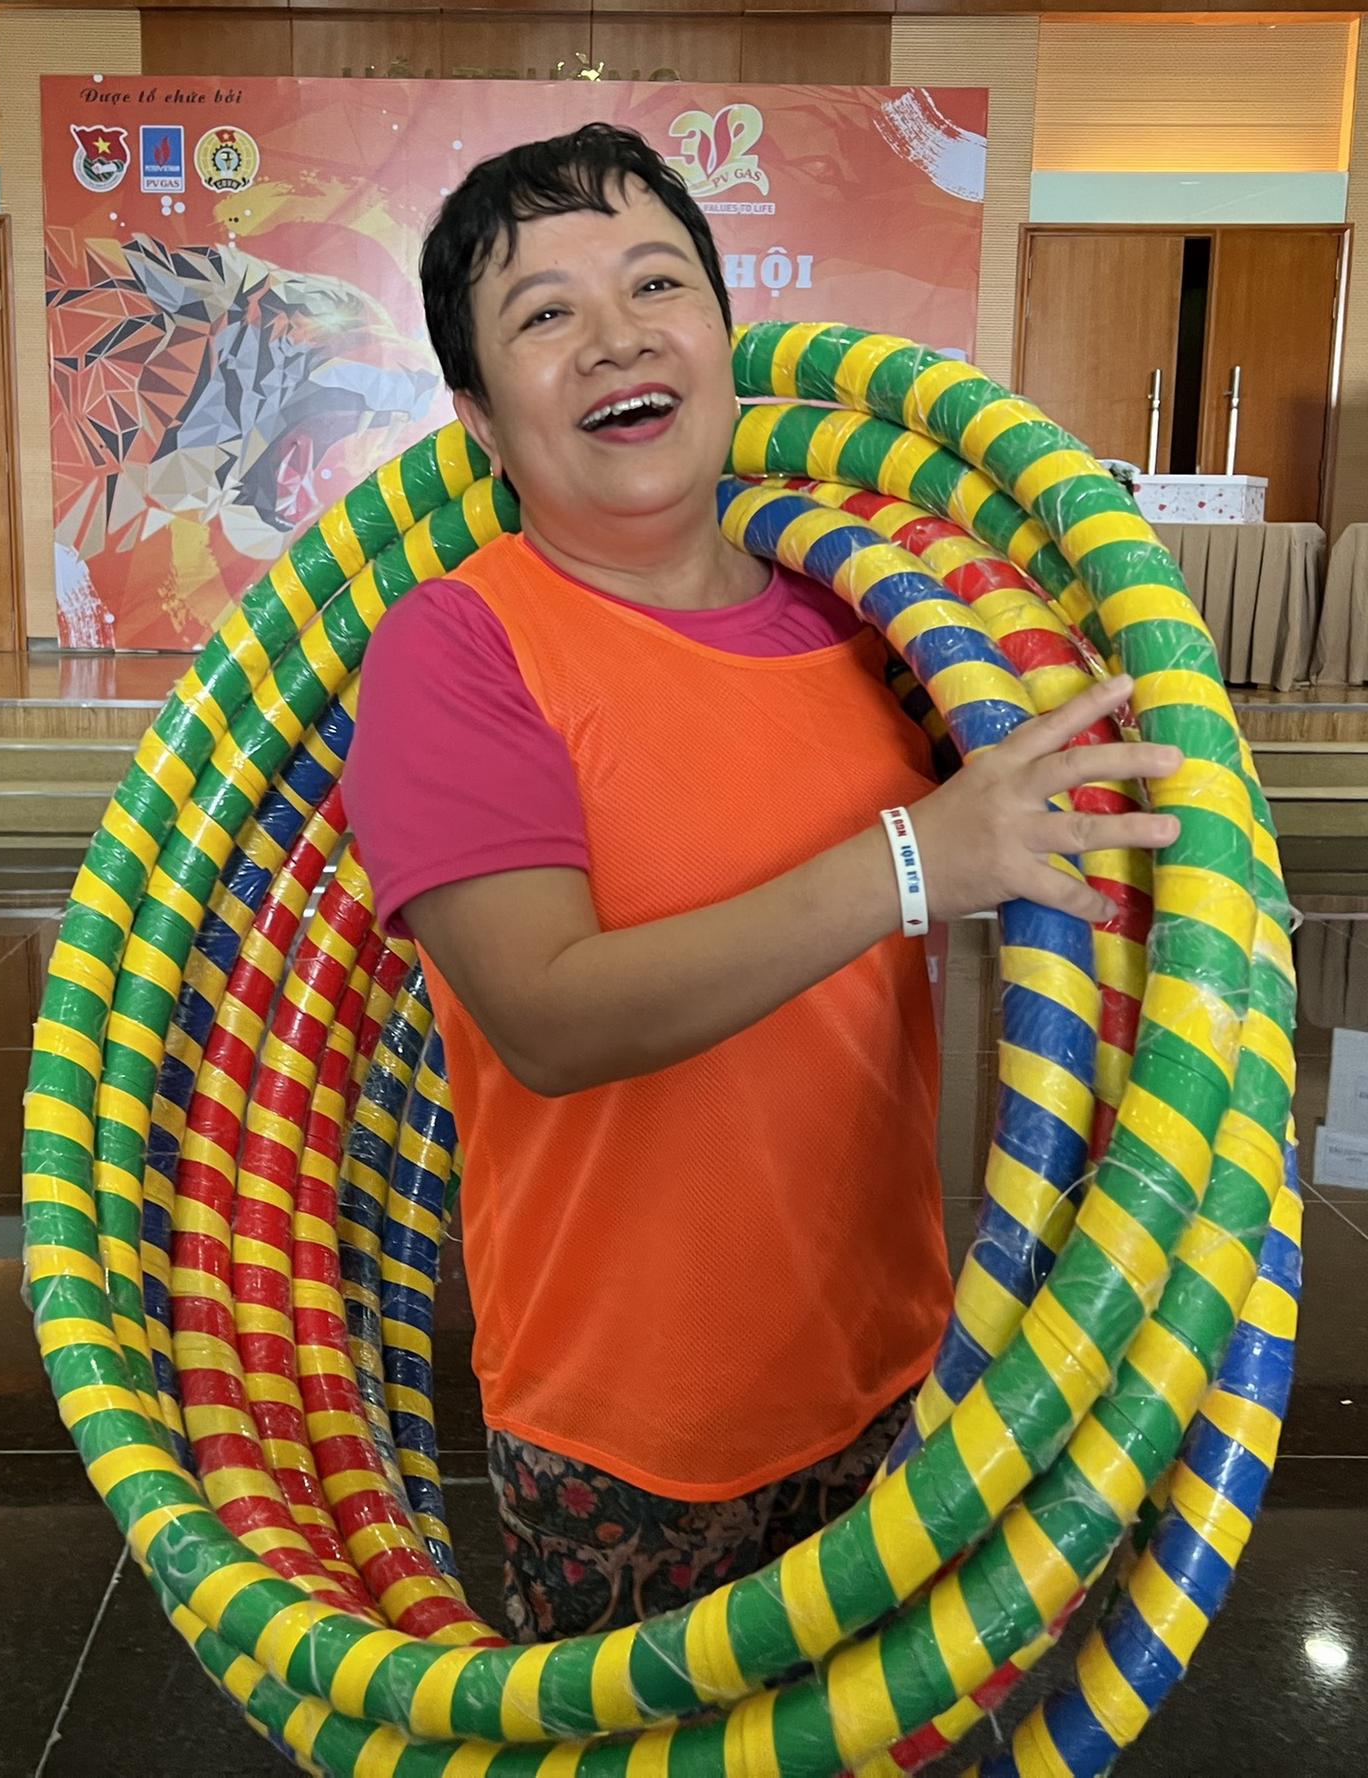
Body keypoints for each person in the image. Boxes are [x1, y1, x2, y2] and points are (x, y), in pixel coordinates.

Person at [342, 123, 1181, 1641]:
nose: (617, 337)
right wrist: (920, 857)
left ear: (727, 341)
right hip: (627, 1430)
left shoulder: (878, 623)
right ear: (478, 417)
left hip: (902, 1369)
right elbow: (549, 1014)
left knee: (902, 1734)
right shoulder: (456, 650)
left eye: (656, 282)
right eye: (546, 313)